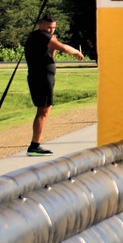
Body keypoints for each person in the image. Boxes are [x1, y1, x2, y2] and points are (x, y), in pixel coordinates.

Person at [24, 15, 84, 156]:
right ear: (41, 25)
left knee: (45, 110)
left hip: (43, 76)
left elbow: (52, 54)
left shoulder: (41, 37)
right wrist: (76, 51)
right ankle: (34, 145)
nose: (51, 30)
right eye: (49, 27)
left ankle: (35, 144)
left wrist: (53, 39)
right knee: (43, 111)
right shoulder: (41, 36)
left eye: (53, 27)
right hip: (41, 77)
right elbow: (62, 47)